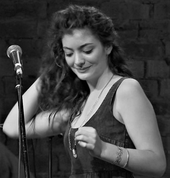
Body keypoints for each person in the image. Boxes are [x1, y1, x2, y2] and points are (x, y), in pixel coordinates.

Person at [3, 4, 166, 178]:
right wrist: (49, 74)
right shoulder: (78, 105)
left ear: (107, 46)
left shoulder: (125, 90)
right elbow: (13, 127)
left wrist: (104, 149)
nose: (78, 61)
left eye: (87, 50)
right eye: (69, 53)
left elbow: (156, 164)